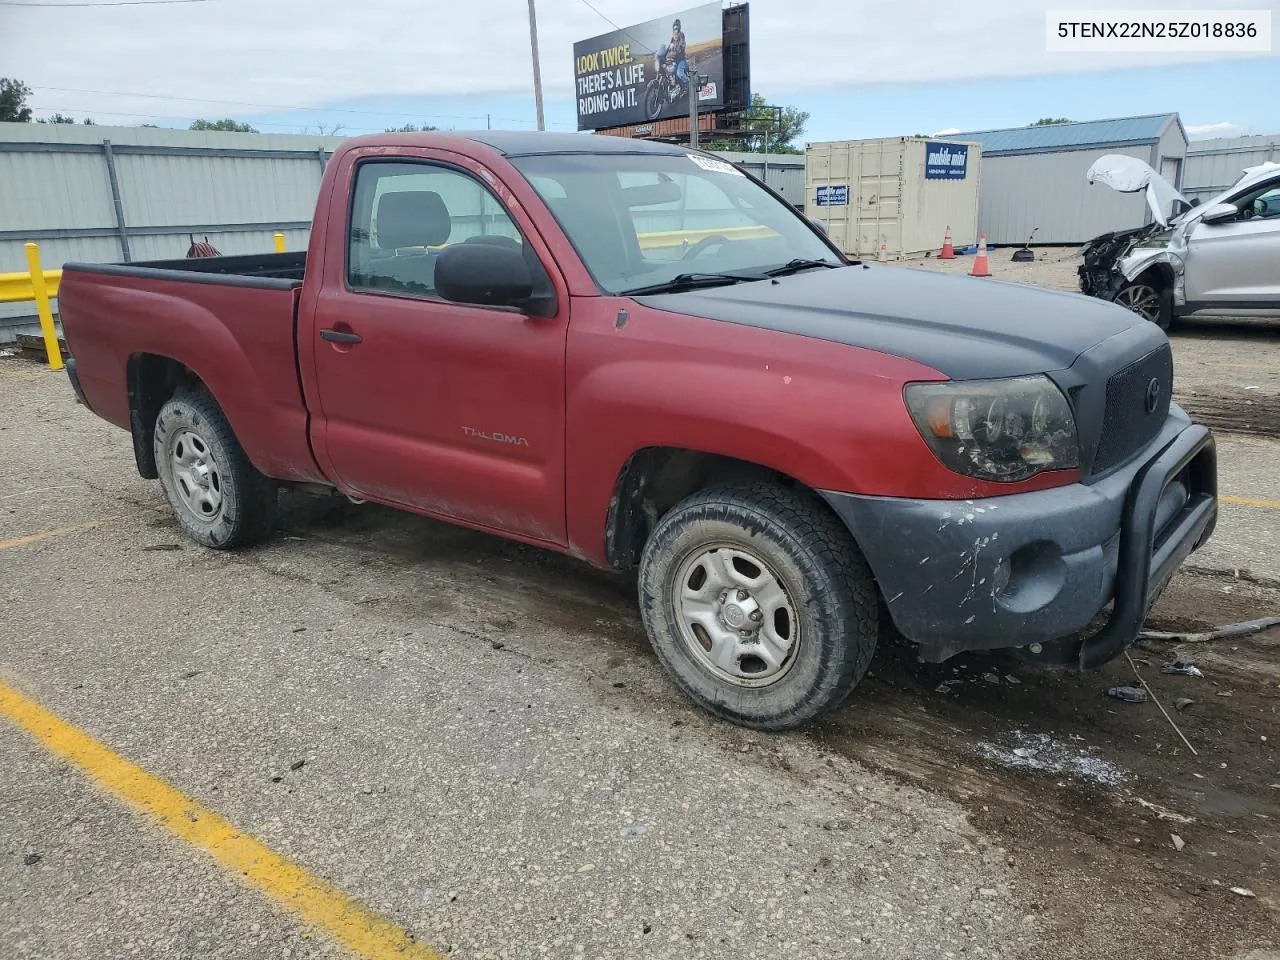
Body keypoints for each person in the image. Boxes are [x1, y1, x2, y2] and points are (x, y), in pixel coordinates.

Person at [665, 18, 688, 98]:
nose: (675, 29)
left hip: (681, 60)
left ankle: (686, 85)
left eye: (676, 27)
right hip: (674, 60)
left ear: (679, 27)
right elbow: (669, 47)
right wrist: (664, 54)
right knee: (669, 73)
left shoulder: (681, 35)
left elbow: (681, 45)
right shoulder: (673, 37)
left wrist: (676, 49)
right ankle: (673, 88)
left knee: (679, 73)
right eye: (674, 28)